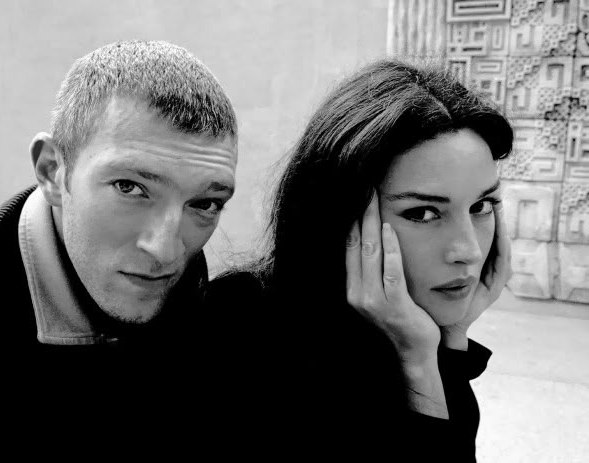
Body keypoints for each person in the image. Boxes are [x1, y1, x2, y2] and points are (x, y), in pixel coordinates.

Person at [206, 59, 513, 460]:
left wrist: (445, 343)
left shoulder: (412, 326)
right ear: (340, 217)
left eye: (481, 206)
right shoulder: (242, 334)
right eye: (423, 213)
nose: (468, 250)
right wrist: (420, 364)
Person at [0, 40, 238, 403]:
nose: (165, 251)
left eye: (205, 203)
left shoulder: (185, 279)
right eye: (129, 187)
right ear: (52, 171)